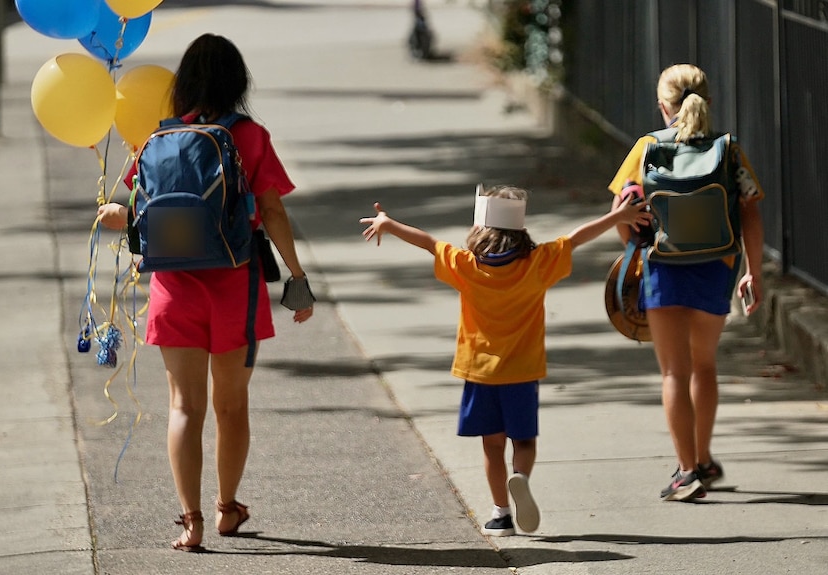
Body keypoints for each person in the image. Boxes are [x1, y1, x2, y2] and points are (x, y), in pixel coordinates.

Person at [97, 34, 314, 550]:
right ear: (237, 81)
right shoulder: (250, 136)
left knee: (182, 407)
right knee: (230, 405)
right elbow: (275, 211)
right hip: (233, 283)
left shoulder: (159, 137)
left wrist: (115, 215)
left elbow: (133, 208)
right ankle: (226, 508)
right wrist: (297, 278)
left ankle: (190, 521)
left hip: (174, 287)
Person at [359, 185, 651, 535]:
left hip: (480, 373)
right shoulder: (538, 264)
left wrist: (388, 223)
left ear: (479, 230)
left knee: (492, 444)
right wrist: (618, 216)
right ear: (520, 230)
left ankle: (500, 514)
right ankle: (522, 477)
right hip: (522, 373)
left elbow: (429, 243)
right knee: (523, 441)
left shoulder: (466, 266)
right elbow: (574, 239)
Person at [608, 63, 765, 501]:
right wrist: (753, 270)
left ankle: (686, 471)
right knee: (704, 365)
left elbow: (625, 216)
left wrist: (634, 245)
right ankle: (703, 457)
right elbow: (750, 211)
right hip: (716, 267)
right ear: (708, 102)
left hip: (664, 269)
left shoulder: (646, 148)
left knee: (674, 371)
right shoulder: (728, 150)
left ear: (662, 106)